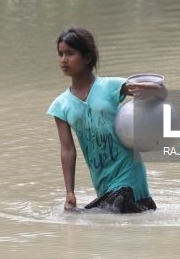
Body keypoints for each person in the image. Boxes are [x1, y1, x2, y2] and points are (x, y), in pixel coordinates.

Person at [47, 27, 163, 213]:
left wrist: (156, 89)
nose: (63, 60)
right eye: (60, 54)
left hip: (128, 171)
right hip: (102, 179)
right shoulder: (61, 105)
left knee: (115, 209)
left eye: (70, 53)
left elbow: (156, 91)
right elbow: (67, 149)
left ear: (87, 58)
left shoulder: (110, 86)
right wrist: (69, 192)